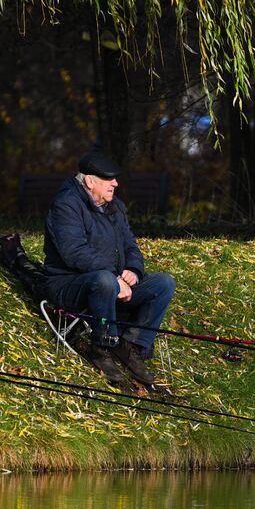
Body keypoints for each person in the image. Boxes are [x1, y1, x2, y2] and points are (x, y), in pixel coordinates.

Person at [43, 150, 176, 389]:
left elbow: (130, 244)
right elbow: (74, 251)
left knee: (164, 283)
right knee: (104, 280)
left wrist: (133, 270)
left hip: (111, 284)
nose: (115, 183)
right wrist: (115, 278)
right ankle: (101, 347)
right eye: (108, 179)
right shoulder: (65, 205)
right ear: (90, 181)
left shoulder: (115, 206)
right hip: (69, 284)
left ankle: (132, 345)